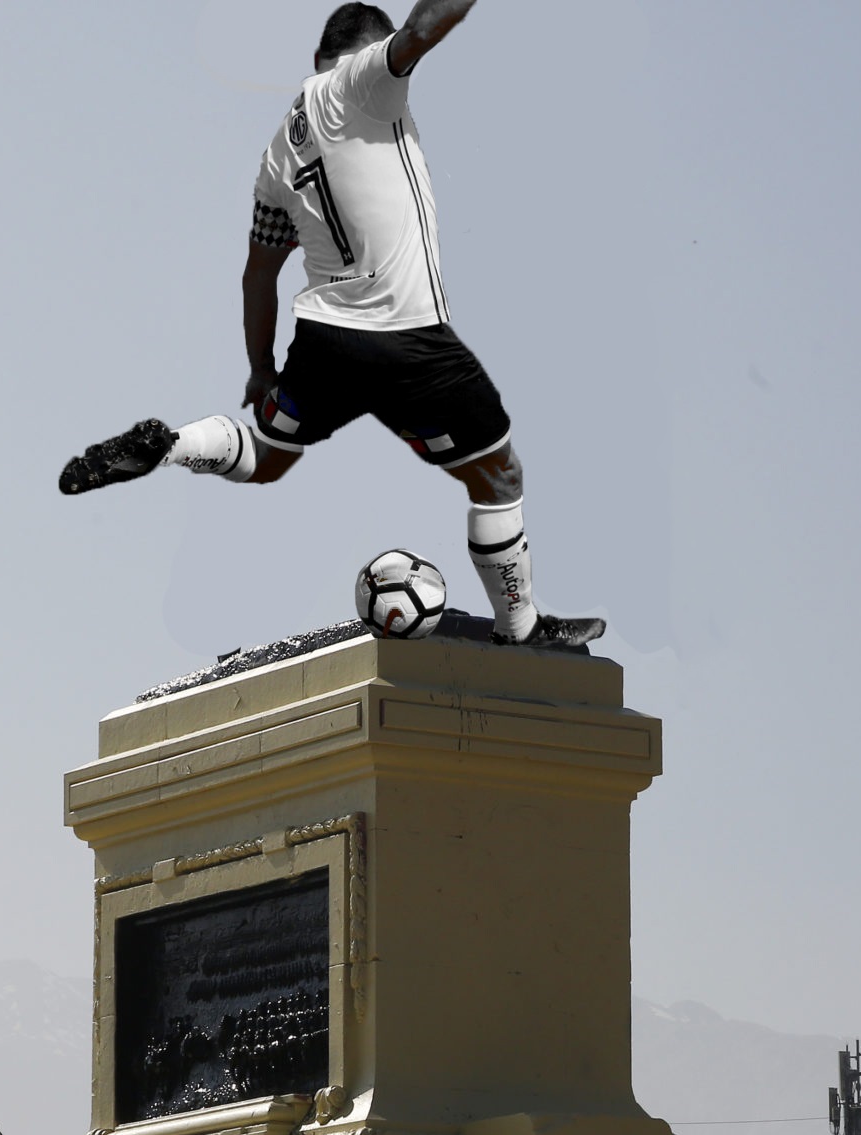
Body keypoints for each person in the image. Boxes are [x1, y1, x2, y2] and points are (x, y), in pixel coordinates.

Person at [57, 2, 604, 652]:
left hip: (323, 340)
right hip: (407, 338)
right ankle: (522, 629)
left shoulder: (276, 153)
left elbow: (258, 274)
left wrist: (261, 368)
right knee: (499, 477)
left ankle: (170, 443)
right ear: (362, 51)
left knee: (265, 457)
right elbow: (424, 29)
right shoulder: (361, 83)